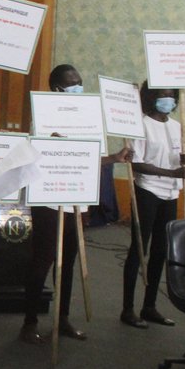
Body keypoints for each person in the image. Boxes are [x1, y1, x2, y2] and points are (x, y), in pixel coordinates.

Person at [19, 64, 132, 345]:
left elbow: (89, 156)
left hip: (76, 198)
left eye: (80, 82)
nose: (78, 87)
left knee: (68, 260)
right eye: (72, 83)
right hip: (49, 197)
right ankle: (29, 321)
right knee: (43, 259)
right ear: (56, 88)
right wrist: (54, 142)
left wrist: (114, 158)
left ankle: (63, 318)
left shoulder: (87, 118)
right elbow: (39, 154)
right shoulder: (42, 118)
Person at [120, 83, 185, 328]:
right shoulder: (141, 125)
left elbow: (178, 160)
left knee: (161, 249)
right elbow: (137, 164)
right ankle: (127, 309)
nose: (168, 100)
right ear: (151, 98)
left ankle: (149, 306)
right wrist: (172, 172)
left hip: (170, 194)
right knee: (139, 249)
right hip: (147, 190)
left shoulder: (177, 126)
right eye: (162, 96)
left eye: (171, 96)